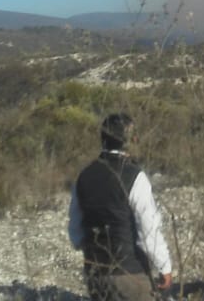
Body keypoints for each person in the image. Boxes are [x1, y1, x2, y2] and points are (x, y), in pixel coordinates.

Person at [68, 113, 172, 301]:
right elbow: (148, 232)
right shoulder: (135, 177)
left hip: (95, 274)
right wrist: (164, 266)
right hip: (129, 273)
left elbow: (75, 230)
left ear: (103, 139)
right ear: (131, 140)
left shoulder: (83, 176)